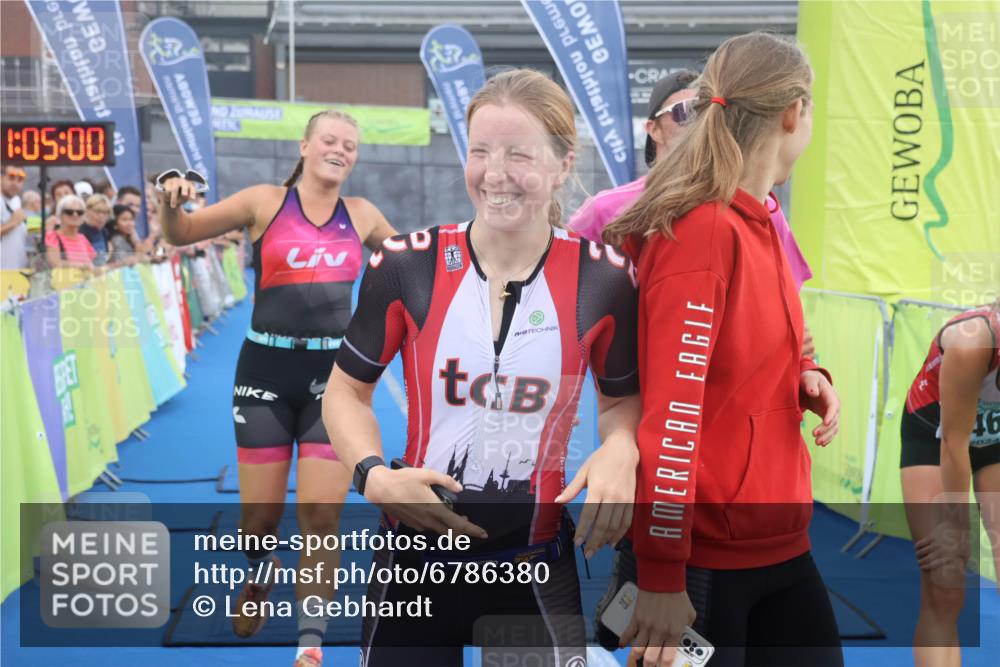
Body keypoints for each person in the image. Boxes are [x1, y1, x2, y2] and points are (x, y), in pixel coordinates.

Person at [322, 68, 642, 667]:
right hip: (413, 564)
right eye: (480, 152)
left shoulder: (604, 279)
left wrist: (622, 445)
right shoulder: (405, 266)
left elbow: (622, 402)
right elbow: (345, 392)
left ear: (563, 165)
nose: (494, 174)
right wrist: (371, 475)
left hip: (535, 564)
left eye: (518, 154)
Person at [603, 32, 843, 667]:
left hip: (779, 542)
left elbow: (747, 350)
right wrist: (661, 575)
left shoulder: (759, 221)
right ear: (793, 113)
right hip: (701, 561)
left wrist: (804, 375)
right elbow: (673, 414)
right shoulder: (705, 231)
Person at [157, 109, 397, 667]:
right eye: (330, 140)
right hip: (263, 374)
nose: (340, 150)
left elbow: (418, 265)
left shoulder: (362, 215)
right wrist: (170, 203)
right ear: (305, 146)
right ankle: (262, 572)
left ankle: (309, 644)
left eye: (350, 145)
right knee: (258, 524)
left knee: (321, 518)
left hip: (334, 383)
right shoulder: (264, 202)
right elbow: (181, 233)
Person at [900, 298, 1000, 667]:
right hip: (935, 438)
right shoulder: (972, 342)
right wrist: (958, 526)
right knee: (946, 577)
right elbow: (953, 445)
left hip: (993, 440)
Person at [568, 69, 698, 242]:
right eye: (685, 110)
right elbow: (562, 256)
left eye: (705, 110)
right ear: (654, 129)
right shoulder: (604, 209)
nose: (700, 121)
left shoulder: (725, 202)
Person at [45, 195, 97, 271]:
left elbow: (92, 263)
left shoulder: (82, 238)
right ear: (60, 215)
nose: (75, 215)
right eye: (69, 212)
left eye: (80, 212)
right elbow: (55, 263)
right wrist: (82, 266)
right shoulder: (52, 236)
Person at [1, 165, 28, 270]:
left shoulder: (16, 200)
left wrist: (43, 228)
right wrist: (13, 223)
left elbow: (21, 231)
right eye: (11, 177)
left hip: (19, 270)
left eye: (20, 179)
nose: (15, 183)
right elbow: (16, 221)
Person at [81, 194, 112, 265]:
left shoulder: (104, 232)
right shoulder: (81, 232)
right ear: (87, 211)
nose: (101, 216)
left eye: (105, 213)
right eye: (97, 211)